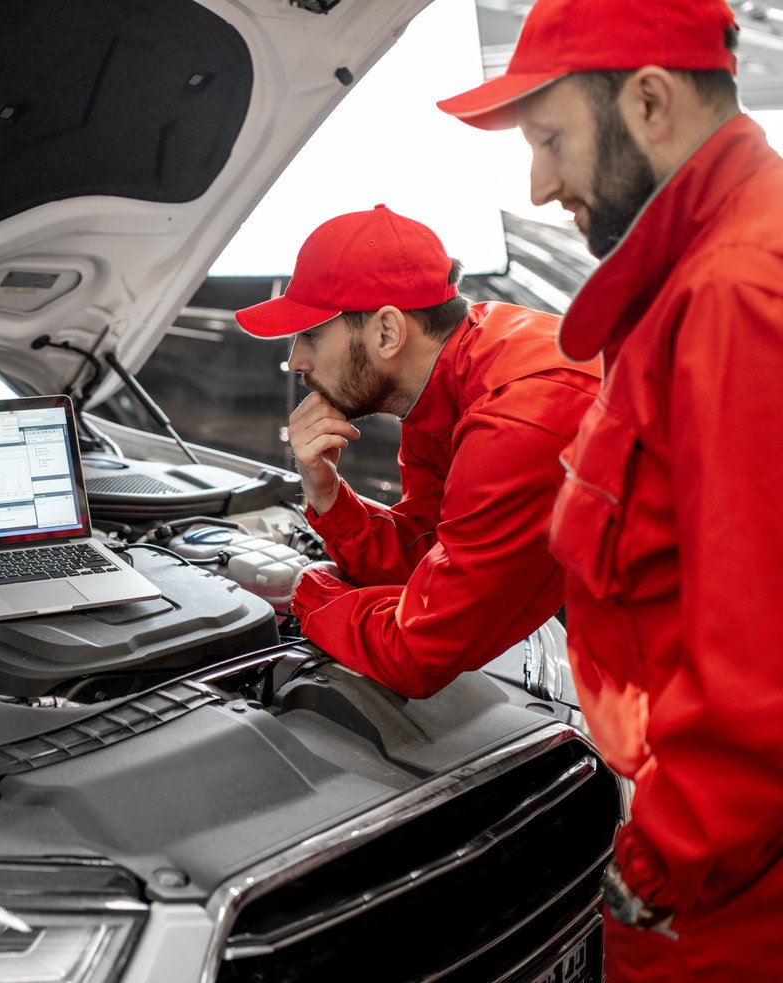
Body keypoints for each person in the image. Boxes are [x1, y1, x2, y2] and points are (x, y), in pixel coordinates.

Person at [437, 0, 783, 978]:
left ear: (647, 101)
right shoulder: (698, 273)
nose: (538, 184)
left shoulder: (736, 290)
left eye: (549, 138)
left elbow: (761, 658)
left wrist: (653, 864)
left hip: (729, 885)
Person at [235, 205, 599, 699]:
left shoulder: (520, 414)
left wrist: (305, 589)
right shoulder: (447, 384)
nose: (296, 359)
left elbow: (420, 653)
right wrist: (326, 495)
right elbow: (429, 557)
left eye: (312, 335)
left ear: (387, 331)